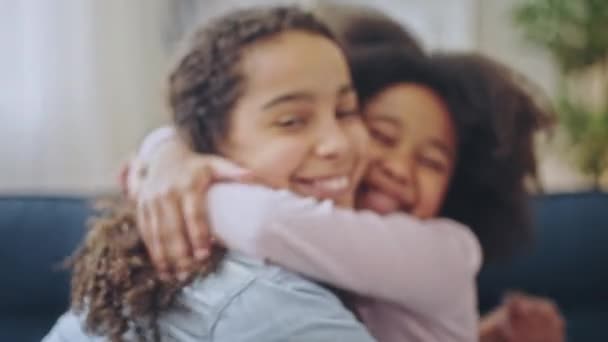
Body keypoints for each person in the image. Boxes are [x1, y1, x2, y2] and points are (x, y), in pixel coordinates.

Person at [126, 7, 564, 342]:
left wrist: (173, 179)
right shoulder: (319, 252)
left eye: (432, 162)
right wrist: (169, 151)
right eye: (380, 134)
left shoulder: (445, 251)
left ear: (460, 184)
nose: (398, 168)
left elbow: (266, 223)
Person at [44, 6, 378, 342]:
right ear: (209, 144)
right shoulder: (273, 305)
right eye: (291, 121)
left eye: (346, 111)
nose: (337, 144)